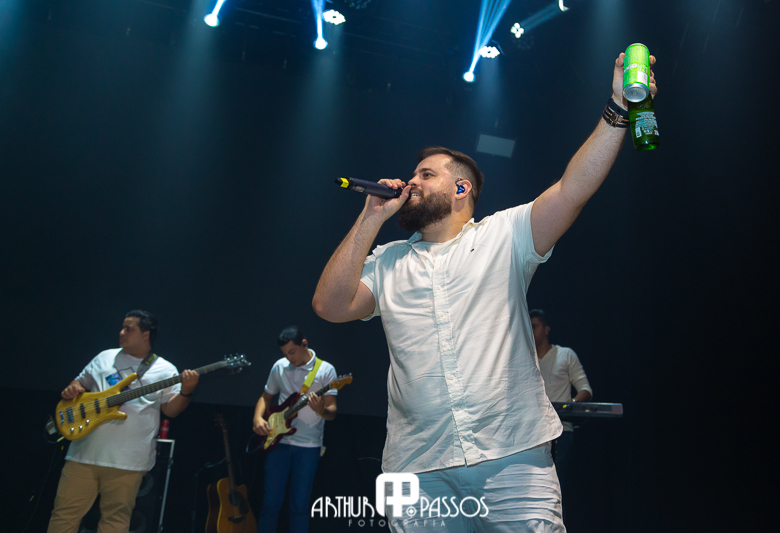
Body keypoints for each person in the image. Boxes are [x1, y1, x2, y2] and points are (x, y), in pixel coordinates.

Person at [312, 52, 656, 532]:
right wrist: (370, 217)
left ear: (461, 189)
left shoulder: (504, 235)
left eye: (426, 175)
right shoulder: (387, 261)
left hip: (513, 458)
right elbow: (330, 306)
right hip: (414, 465)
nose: (411, 182)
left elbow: (572, 190)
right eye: (413, 175)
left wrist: (618, 107)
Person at [48, 310, 199, 533]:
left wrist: (186, 391)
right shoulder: (104, 357)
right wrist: (73, 389)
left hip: (128, 461)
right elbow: (79, 383)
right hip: (83, 454)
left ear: (145, 334)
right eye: (122, 328)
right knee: (64, 515)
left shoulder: (165, 370)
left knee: (116, 521)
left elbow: (171, 410)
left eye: (129, 329)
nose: (121, 333)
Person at [253, 326, 338, 533]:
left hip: (308, 446)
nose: (289, 358)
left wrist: (321, 410)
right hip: (278, 442)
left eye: (292, 352)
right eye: (285, 354)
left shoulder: (326, 370)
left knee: (299, 506)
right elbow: (266, 397)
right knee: (270, 503)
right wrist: (257, 418)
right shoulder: (279, 367)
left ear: (304, 344)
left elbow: (332, 412)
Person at [529, 309, 593, 474]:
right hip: (532, 433)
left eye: (534, 326)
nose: (531, 331)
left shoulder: (565, 354)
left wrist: (571, 404)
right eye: (528, 327)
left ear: (546, 329)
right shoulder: (526, 359)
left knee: (557, 479)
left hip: (560, 431)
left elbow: (585, 390)